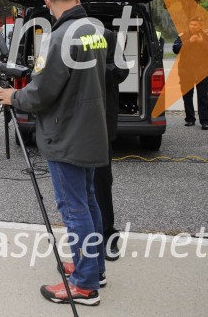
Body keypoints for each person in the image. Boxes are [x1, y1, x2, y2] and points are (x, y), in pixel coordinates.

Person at [0, 0, 107, 306]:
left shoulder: (58, 37)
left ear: (47, 2)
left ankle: (85, 285)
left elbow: (43, 91)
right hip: (89, 129)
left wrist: (13, 96)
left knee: (74, 209)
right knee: (88, 203)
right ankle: (94, 266)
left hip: (66, 133)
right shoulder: (94, 31)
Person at [94, 28, 128, 261]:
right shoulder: (60, 36)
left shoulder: (106, 36)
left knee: (101, 180)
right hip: (71, 125)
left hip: (101, 121)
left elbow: (120, 71)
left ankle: (107, 232)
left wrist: (89, 67)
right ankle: (84, 236)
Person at [172, 17, 208, 130]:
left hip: (202, 71)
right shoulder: (182, 35)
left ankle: (205, 121)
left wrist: (202, 43)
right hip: (186, 71)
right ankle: (190, 119)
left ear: (201, 25)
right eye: (191, 24)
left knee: (203, 96)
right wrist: (188, 42)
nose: (193, 27)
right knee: (187, 96)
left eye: (196, 25)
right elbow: (175, 49)